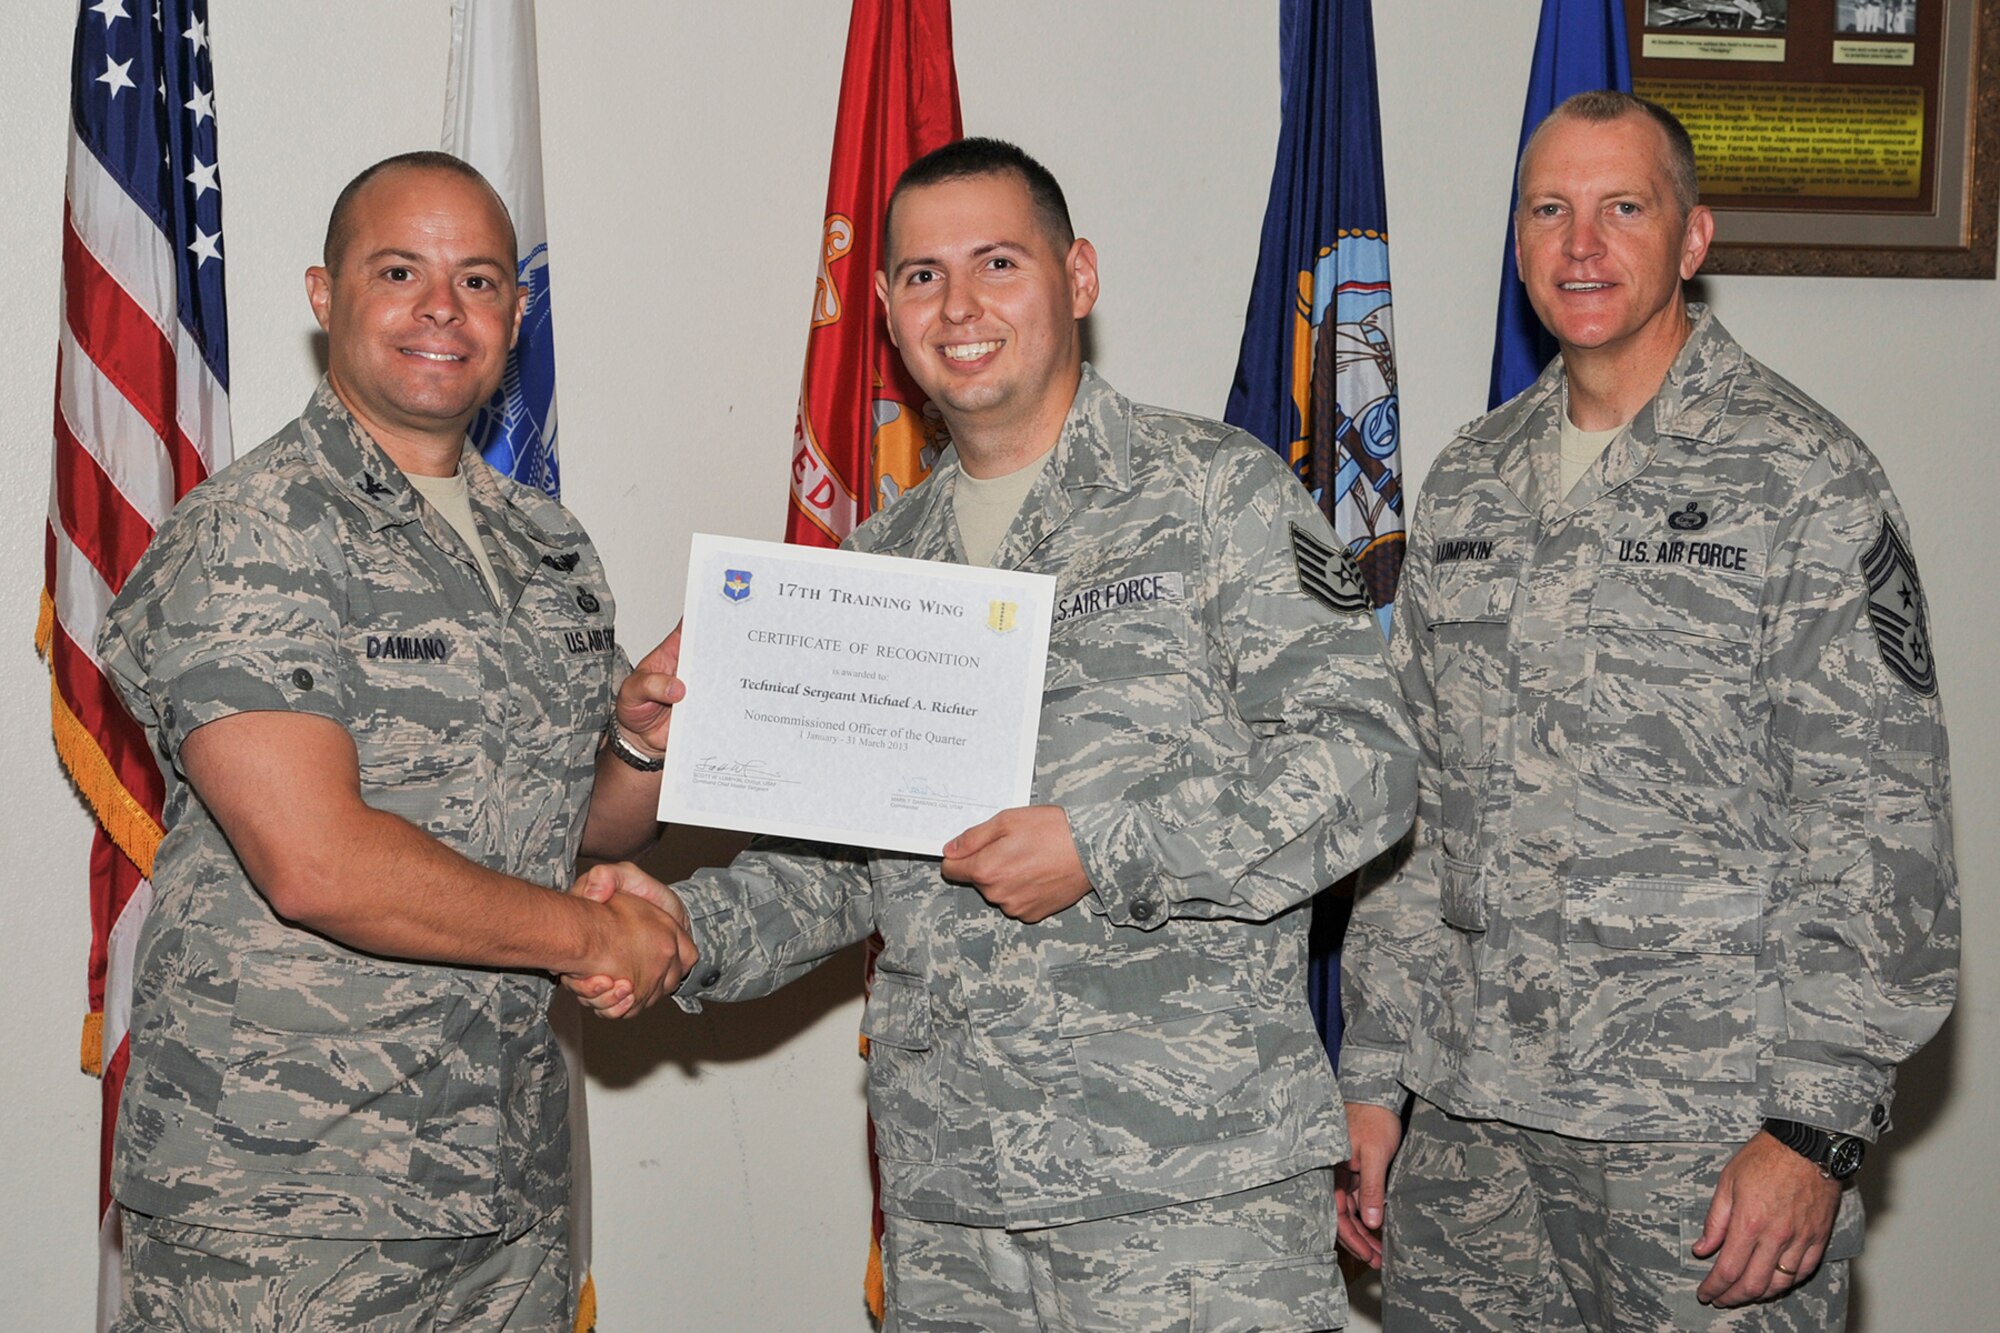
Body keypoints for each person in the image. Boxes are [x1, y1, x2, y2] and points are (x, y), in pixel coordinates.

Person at [575, 138, 1418, 1332]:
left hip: (1186, 1188)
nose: (958, 307)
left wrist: (1102, 846)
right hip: (954, 1195)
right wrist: (677, 928)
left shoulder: (1210, 494)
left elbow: (1366, 765)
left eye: (996, 263)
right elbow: (841, 867)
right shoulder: (877, 563)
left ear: (1076, 278)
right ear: (884, 310)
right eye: (921, 276)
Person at [1336, 92, 1957, 1331]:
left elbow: (1878, 821)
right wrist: (1374, 1076)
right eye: (1548, 209)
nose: (1580, 244)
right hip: (1471, 1131)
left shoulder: (1802, 477)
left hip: (1703, 1135)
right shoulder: (1468, 478)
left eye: (1622, 207)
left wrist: (1812, 1129)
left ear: (1690, 239)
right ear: (1517, 241)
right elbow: (1415, 805)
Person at [97, 151, 695, 1331]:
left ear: (514, 316)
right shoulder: (253, 531)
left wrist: (636, 745)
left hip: (499, 1179)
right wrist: (596, 935)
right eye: (399, 270)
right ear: (325, 297)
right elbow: (316, 862)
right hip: (283, 1199)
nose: (440, 308)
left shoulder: (546, 545)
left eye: (476, 279)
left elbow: (573, 824)